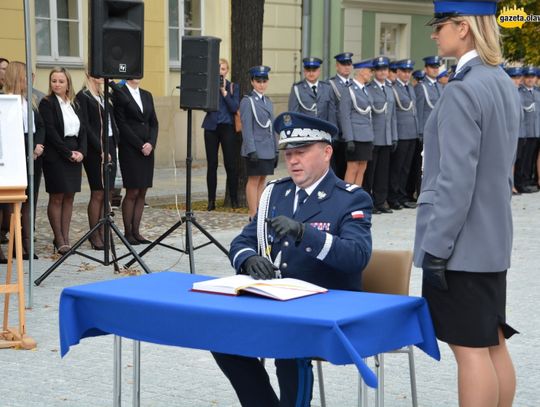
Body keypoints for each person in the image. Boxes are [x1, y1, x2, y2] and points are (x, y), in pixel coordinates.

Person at [212, 111, 373, 407]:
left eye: (301, 152)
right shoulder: (276, 193)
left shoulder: (350, 198)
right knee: (222, 337)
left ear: (326, 153)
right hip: (278, 303)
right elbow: (243, 241)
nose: (293, 160)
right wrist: (248, 260)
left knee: (290, 345)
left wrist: (304, 233)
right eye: (288, 153)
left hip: (327, 306)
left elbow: (357, 257)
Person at [414, 1, 520, 406]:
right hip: (491, 242)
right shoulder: (500, 81)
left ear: (463, 28)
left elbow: (455, 182)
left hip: (460, 247)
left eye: (439, 25)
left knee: (471, 351)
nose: (434, 33)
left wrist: (436, 248)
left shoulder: (462, 90)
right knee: (492, 344)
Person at [39, 67, 87, 255]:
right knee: (57, 196)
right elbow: (50, 132)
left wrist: (82, 152)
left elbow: (83, 130)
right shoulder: (47, 103)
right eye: (54, 81)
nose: (57, 84)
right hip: (56, 155)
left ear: (68, 84)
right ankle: (59, 240)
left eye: (61, 81)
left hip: (75, 153)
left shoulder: (74, 103)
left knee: (70, 197)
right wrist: (68, 153)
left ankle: (66, 238)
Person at [3, 61, 45, 260]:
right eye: (25, 76)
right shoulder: (5, 101)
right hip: (14, 156)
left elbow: (40, 126)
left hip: (33, 155)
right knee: (14, 204)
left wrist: (38, 145)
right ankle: (14, 244)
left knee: (30, 201)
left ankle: (28, 244)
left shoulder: (31, 101)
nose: (28, 80)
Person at [76, 72, 119, 250]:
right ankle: (94, 234)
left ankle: (103, 230)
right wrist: (100, 148)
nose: (103, 75)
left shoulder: (104, 95)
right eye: (98, 72)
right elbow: (85, 125)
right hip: (95, 149)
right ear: (89, 73)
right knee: (98, 192)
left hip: (110, 144)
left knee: (108, 191)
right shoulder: (83, 96)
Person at [113, 78, 158, 245]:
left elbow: (154, 122)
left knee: (142, 192)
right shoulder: (120, 94)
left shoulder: (147, 95)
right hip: (131, 149)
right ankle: (128, 232)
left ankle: (137, 231)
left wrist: (151, 143)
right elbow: (122, 124)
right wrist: (140, 145)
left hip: (148, 149)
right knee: (132, 191)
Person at [201, 58, 240, 211]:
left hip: (228, 127)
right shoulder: (209, 87)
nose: (220, 72)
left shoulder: (232, 87)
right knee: (212, 165)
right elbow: (204, 106)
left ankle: (234, 199)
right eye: (217, 69)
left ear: (227, 71)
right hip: (211, 127)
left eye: (223, 69)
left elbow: (234, 107)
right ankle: (211, 201)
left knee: (230, 164)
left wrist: (224, 92)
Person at [239, 65, 277, 219]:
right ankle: (253, 213)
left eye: (264, 81)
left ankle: (260, 212)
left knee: (263, 180)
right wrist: (251, 149)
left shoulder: (268, 101)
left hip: (267, 148)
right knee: (254, 180)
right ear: (252, 82)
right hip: (255, 148)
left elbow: (272, 128)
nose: (262, 84)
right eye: (258, 81)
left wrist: (276, 150)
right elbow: (246, 128)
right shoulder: (248, 101)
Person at [365, 56, 398, 214]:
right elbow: (368, 115)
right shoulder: (370, 89)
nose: (383, 72)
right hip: (374, 137)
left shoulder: (390, 89)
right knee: (370, 173)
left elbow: (392, 116)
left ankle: (381, 201)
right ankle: (368, 201)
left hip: (386, 137)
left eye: (385, 69)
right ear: (374, 72)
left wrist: (394, 136)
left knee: (383, 172)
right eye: (379, 69)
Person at [408, 56, 444, 203]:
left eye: (436, 67)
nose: (435, 70)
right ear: (426, 69)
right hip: (426, 131)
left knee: (436, 163)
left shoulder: (439, 86)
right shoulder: (421, 87)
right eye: (432, 67)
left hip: (439, 130)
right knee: (422, 166)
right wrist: (420, 132)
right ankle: (421, 192)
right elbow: (419, 110)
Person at [388, 58, 419, 210]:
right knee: (397, 167)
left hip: (411, 131)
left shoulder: (410, 88)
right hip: (400, 132)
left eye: (409, 72)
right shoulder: (394, 88)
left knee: (406, 167)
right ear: (398, 72)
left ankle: (403, 195)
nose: (407, 75)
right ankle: (393, 197)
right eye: (404, 72)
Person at [339, 59, 375, 187]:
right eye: (370, 71)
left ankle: (356, 198)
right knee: (353, 167)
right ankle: (347, 199)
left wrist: (371, 136)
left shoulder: (366, 90)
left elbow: (368, 115)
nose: (372, 74)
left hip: (366, 135)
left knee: (362, 168)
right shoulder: (349, 90)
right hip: (355, 136)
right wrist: (349, 138)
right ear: (362, 72)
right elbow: (345, 116)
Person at [288, 57, 337, 126]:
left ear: (319, 71)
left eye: (314, 70)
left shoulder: (327, 88)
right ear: (304, 71)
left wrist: (333, 134)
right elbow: (293, 114)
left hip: (324, 131)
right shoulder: (297, 89)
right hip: (305, 131)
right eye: (308, 70)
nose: (311, 73)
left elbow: (332, 114)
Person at [328, 52, 354, 179]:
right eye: (343, 64)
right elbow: (331, 110)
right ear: (337, 66)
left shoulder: (354, 84)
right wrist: (334, 133)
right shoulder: (331, 84)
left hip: (351, 134)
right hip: (338, 133)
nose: (347, 67)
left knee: (349, 168)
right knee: (337, 169)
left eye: (349, 64)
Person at [516, 66, 540, 193]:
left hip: (537, 130)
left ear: (536, 78)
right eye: (528, 77)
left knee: (533, 158)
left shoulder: (537, 92)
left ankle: (531, 179)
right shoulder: (519, 92)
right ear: (523, 78)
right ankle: (522, 182)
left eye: (533, 77)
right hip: (525, 131)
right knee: (523, 158)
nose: (530, 79)